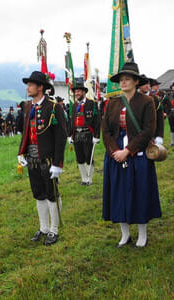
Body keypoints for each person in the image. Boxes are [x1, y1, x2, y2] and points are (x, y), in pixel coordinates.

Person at [102, 62, 161, 248]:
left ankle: (142, 234)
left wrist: (128, 151)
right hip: (115, 153)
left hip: (138, 152)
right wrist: (115, 152)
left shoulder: (146, 101)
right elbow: (105, 131)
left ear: (136, 81)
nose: (124, 82)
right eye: (121, 79)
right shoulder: (112, 103)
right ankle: (124, 234)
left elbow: (148, 129)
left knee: (140, 192)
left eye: (127, 79)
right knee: (119, 193)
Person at [18, 71, 67, 245]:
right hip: (31, 157)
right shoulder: (27, 107)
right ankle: (43, 227)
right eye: (28, 84)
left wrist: (57, 163)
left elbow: (61, 137)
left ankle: (54, 230)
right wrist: (20, 152)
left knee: (51, 193)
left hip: (48, 159)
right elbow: (26, 133)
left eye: (31, 85)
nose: (28, 87)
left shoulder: (54, 107)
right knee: (38, 193)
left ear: (40, 88)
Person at [69, 78, 100, 185]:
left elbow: (97, 121)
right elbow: (71, 121)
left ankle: (89, 179)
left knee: (88, 157)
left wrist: (96, 136)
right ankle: (83, 179)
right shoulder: (73, 106)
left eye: (78, 91)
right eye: (75, 91)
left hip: (88, 133)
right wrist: (70, 135)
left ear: (83, 92)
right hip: (76, 134)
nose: (76, 93)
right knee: (80, 158)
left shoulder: (92, 104)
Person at [139, 75, 164, 145]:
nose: (147, 86)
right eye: (144, 84)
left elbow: (160, 118)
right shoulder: (134, 98)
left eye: (148, 84)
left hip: (153, 135)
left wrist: (159, 136)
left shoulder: (156, 99)